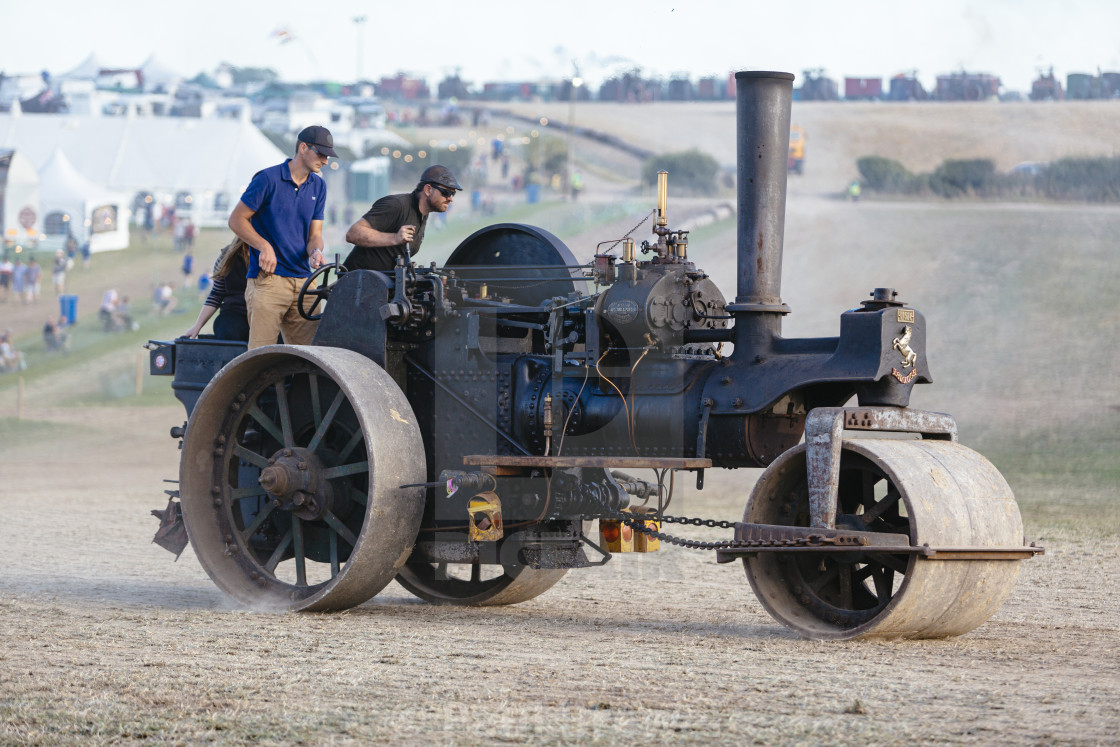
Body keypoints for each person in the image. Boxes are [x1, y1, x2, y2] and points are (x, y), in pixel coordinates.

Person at [229, 125, 333, 349]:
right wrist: (263, 246)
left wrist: (315, 251)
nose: (325, 161)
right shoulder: (267, 179)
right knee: (261, 358)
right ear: (303, 147)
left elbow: (315, 235)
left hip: (306, 283)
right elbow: (236, 220)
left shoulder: (319, 186)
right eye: (321, 154)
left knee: (311, 358)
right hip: (268, 281)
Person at [343, 164, 461, 272]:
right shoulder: (396, 205)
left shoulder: (423, 214)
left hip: (380, 285)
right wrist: (394, 238)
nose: (451, 198)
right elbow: (353, 233)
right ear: (428, 190)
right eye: (446, 192)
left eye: (453, 194)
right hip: (356, 285)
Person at [184, 239, 251, 341]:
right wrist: (197, 326)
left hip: (266, 313)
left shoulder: (276, 253)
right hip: (236, 313)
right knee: (228, 329)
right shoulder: (226, 257)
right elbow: (217, 294)